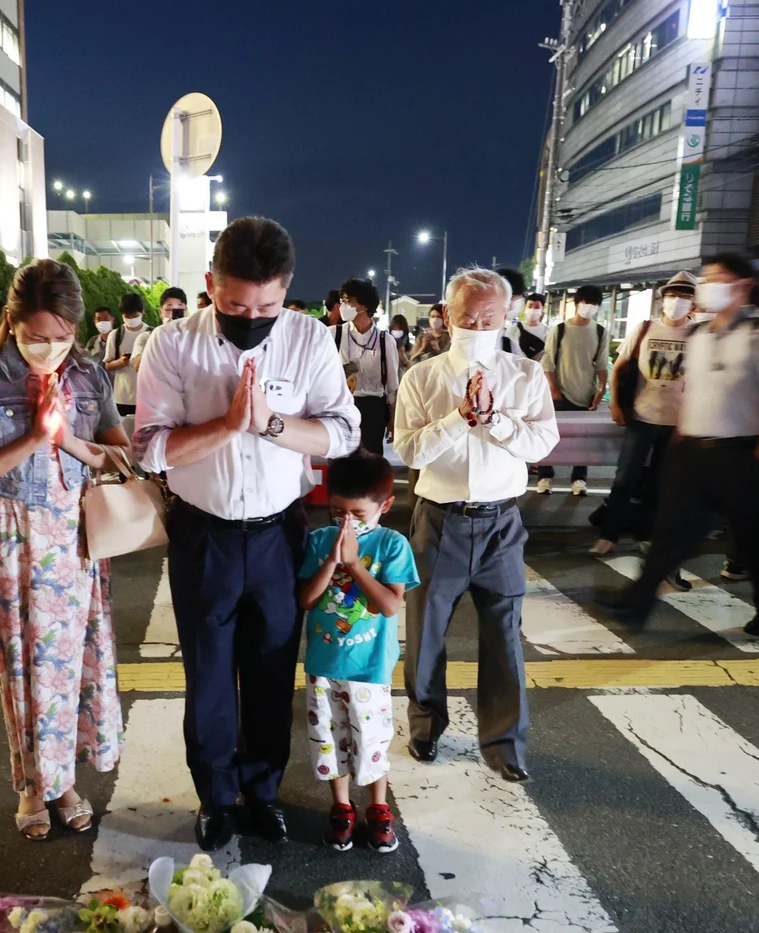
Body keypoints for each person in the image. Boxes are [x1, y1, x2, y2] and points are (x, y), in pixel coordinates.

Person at [134, 216, 360, 851]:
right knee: (208, 673)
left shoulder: (309, 339)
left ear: (287, 291)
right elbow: (150, 448)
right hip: (202, 532)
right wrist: (229, 425)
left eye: (266, 305)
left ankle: (263, 791)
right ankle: (216, 795)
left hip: (278, 533)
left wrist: (272, 425)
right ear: (210, 283)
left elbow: (343, 432)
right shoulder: (173, 343)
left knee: (269, 668)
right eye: (235, 304)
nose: (252, 316)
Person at [0, 259, 129, 840]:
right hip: (12, 536)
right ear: (11, 322)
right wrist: (32, 438)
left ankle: (66, 781)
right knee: (23, 665)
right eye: (35, 337)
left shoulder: (90, 377)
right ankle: (32, 785)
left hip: (73, 538)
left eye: (62, 337)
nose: (49, 349)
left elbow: (119, 458)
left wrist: (66, 437)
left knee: (73, 663)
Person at [394, 268, 555, 781]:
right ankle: (425, 726)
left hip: (501, 522)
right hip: (438, 520)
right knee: (426, 633)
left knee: (504, 632)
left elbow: (540, 444)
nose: (477, 325)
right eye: (466, 316)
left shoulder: (526, 375)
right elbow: (408, 449)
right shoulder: (422, 375)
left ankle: (505, 741)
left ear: (507, 315)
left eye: (488, 316)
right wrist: (459, 418)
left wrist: (495, 419)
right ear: (446, 315)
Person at [596, 251, 759, 637]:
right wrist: (679, 441)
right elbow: (693, 393)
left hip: (740, 453)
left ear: (741, 286)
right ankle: (635, 604)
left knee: (755, 538)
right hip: (690, 451)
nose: (705, 286)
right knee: (669, 532)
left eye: (716, 278)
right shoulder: (698, 335)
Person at [297, 451, 418, 853]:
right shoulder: (318, 541)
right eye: (337, 511)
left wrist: (356, 564)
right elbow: (307, 600)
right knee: (331, 738)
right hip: (323, 663)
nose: (346, 521)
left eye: (357, 513)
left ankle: (379, 808)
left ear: (384, 506)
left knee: (371, 740)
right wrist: (333, 561)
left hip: (370, 668)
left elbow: (389, 605)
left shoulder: (391, 544)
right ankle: (342, 807)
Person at [594, 271, 694, 556]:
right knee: (625, 478)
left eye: (685, 297)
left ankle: (646, 534)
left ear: (693, 303)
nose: (678, 302)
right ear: (663, 300)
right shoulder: (644, 329)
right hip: (642, 416)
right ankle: (608, 534)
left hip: (678, 422)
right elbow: (620, 365)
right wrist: (615, 404)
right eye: (673, 296)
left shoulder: (698, 334)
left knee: (660, 482)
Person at [537, 284, 610, 496]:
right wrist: (553, 389)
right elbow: (548, 362)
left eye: (594, 304)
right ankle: (545, 476)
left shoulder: (600, 331)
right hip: (559, 393)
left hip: (585, 395)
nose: (589, 307)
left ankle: (579, 478)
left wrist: (600, 390)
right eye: (586, 302)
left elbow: (602, 364)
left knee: (583, 440)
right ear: (577, 304)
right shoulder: (559, 330)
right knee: (549, 436)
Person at [332, 277, 400, 452]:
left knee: (370, 464)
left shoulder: (385, 340)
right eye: (343, 300)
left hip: (373, 409)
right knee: (340, 462)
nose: (343, 305)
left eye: (348, 301)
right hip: (341, 406)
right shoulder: (333, 334)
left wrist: (393, 420)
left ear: (363, 306)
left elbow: (392, 386)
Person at [103, 291, 151, 424]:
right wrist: (120, 362)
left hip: (147, 397)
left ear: (143, 312)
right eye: (127, 316)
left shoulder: (151, 334)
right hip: (122, 397)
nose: (131, 319)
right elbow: (108, 364)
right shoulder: (116, 335)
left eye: (134, 315)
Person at [509, 292, 549, 362]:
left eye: (537, 307)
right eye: (530, 306)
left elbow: (547, 355)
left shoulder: (547, 331)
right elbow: (511, 350)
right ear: (525, 307)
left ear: (542, 309)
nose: (533, 309)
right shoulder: (514, 328)